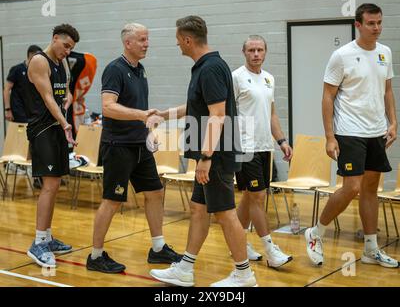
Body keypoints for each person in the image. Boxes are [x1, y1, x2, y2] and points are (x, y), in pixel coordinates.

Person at [149, 15, 257, 287]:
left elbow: (217, 116)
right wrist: (164, 114)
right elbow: (197, 107)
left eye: (178, 42)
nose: (178, 47)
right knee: (198, 210)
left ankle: (244, 275)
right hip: (209, 155)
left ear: (187, 40)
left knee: (225, 213)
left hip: (216, 156)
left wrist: (206, 158)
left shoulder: (209, 68)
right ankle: (185, 269)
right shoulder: (206, 67)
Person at [305, 3, 399, 268]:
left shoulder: (385, 52)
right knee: (352, 188)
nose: (377, 28)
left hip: (376, 132)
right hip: (348, 131)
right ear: (358, 24)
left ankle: (371, 249)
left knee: (371, 189)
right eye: (371, 23)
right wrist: (329, 136)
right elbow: (327, 96)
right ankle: (316, 233)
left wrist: (393, 122)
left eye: (379, 22)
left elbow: (388, 90)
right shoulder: (342, 55)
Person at [86, 23, 182, 274]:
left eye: (147, 39)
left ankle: (158, 249)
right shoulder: (114, 69)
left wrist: (149, 131)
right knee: (112, 200)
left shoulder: (141, 70)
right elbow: (108, 107)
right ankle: (95, 256)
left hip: (140, 145)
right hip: (118, 146)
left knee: (154, 192)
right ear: (127, 43)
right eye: (141, 39)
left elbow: (141, 108)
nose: (146, 43)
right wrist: (141, 115)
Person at [233, 35, 293, 267]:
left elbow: (272, 113)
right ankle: (271, 251)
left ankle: (237, 243)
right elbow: (226, 113)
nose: (256, 54)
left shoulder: (269, 79)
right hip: (244, 147)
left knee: (250, 196)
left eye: (259, 50)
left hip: (264, 146)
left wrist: (282, 141)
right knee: (258, 196)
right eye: (251, 50)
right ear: (244, 52)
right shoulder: (236, 78)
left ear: (265, 52)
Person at [26, 24, 79, 268]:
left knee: (55, 184)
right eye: (65, 45)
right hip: (43, 130)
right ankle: (38, 242)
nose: (67, 51)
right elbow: (47, 98)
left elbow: (64, 91)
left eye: (71, 48)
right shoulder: (39, 61)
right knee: (49, 185)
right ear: (55, 38)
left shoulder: (62, 63)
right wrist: (65, 122)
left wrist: (68, 99)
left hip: (58, 128)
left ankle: (46, 237)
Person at [3, 45, 42, 122]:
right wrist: (7, 110)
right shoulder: (17, 69)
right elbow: (7, 89)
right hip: (19, 111)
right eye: (38, 56)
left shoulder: (37, 71)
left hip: (34, 112)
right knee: (20, 133)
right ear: (31, 55)